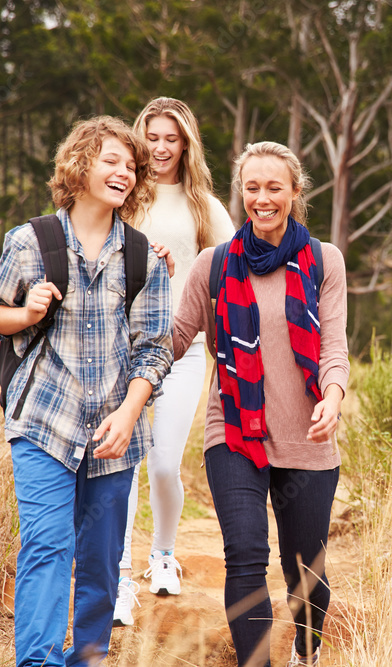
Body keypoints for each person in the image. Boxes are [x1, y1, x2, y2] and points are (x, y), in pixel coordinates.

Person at [0, 116, 173, 667]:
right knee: (47, 547)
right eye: (111, 161)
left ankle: (86, 659)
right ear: (80, 164)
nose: (123, 174)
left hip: (116, 431)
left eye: (131, 167)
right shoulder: (29, 242)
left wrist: (131, 414)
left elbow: (155, 349)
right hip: (43, 422)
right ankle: (36, 663)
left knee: (102, 561)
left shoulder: (144, 259)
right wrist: (25, 311)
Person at [173, 141, 349, 667]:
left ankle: (306, 650)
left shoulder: (323, 260)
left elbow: (333, 347)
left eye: (274, 187)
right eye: (252, 188)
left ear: (295, 193)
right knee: (246, 557)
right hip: (234, 431)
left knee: (305, 575)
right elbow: (176, 337)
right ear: (241, 193)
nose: (262, 198)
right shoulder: (215, 263)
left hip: (307, 436)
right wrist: (146, 287)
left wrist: (333, 397)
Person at [113, 97, 236, 626]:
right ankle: (116, 576)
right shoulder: (123, 198)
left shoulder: (206, 207)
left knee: (163, 462)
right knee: (121, 464)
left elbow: (231, 278)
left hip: (181, 351)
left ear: (186, 144)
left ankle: (163, 554)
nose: (161, 148)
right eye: (153, 137)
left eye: (172, 138)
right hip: (119, 348)